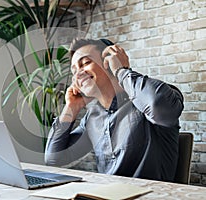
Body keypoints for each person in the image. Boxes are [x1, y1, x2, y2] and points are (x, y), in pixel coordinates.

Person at [44, 38, 184, 182]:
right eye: (74, 70)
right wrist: (71, 108)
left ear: (109, 62)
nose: (79, 73)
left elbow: (157, 105)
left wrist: (121, 71)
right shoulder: (92, 117)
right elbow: (54, 158)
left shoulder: (150, 98)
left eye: (85, 63)